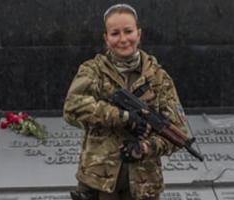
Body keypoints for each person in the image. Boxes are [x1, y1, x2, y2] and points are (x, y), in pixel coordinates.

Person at [63, 3, 188, 200]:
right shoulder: (92, 71)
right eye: (115, 33)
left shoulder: (159, 79)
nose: (123, 39)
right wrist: (123, 117)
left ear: (138, 34)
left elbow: (177, 132)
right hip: (98, 181)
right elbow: (72, 107)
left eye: (128, 31)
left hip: (143, 184)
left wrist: (146, 148)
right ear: (106, 38)